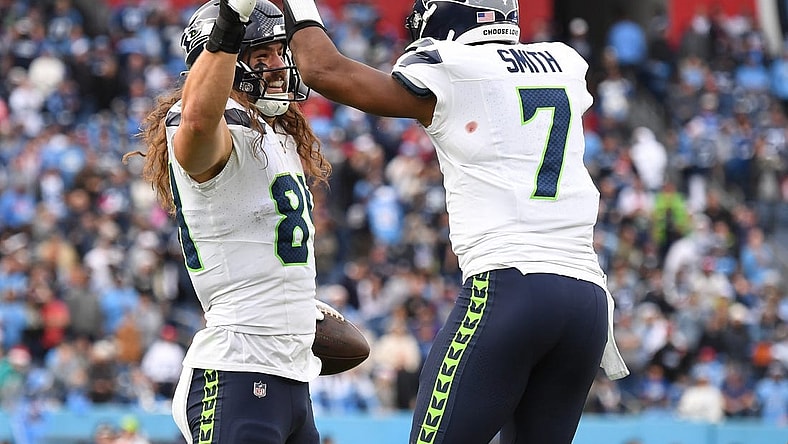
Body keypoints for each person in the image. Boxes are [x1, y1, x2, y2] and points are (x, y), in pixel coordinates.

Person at [281, 0, 629, 443]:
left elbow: (322, 70)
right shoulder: (561, 61)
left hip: (511, 287)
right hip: (586, 301)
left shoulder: (454, 65)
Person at [123, 0, 333, 442]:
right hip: (236, 370)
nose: (278, 65)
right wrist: (231, 21)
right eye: (261, 56)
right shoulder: (209, 125)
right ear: (226, 60)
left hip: (290, 374)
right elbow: (200, 123)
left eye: (280, 52)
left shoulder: (277, 134)